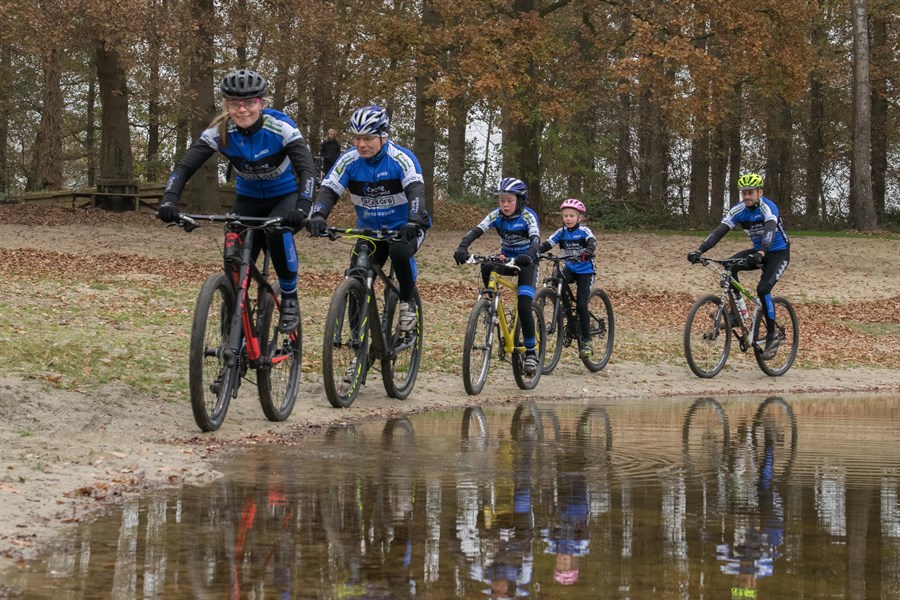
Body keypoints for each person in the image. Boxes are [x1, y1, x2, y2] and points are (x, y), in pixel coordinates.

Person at [156, 69, 316, 333]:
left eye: (250, 102)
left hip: (284, 197)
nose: (242, 110)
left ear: (261, 103)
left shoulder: (281, 128)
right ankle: (231, 328)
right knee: (233, 259)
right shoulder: (220, 131)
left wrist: (304, 206)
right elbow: (184, 168)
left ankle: (289, 298)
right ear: (226, 105)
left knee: (277, 234)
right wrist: (169, 201)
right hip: (248, 200)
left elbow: (307, 170)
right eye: (234, 104)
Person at [307, 105, 431, 333]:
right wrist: (317, 214)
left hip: (404, 228)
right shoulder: (349, 160)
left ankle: (407, 302)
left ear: (384, 136)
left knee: (399, 252)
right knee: (357, 274)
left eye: (367, 138)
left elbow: (416, 192)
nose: (361, 144)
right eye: (356, 138)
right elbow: (329, 190)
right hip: (369, 230)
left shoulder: (402, 159)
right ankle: (359, 346)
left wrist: (413, 219)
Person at [687, 173, 790, 360]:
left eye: (750, 193)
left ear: (760, 192)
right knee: (730, 268)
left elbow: (769, 232)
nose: (747, 197)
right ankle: (737, 315)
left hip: (777, 252)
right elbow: (719, 231)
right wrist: (700, 250)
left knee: (763, 289)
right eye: (744, 194)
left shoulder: (768, 208)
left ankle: (772, 336)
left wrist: (761, 253)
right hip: (758, 251)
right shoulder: (739, 210)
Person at [454, 177, 541, 375]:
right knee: (486, 266)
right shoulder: (496, 215)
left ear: (520, 200)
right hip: (507, 260)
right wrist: (463, 246)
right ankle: (491, 304)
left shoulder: (528, 217)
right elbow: (477, 230)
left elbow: (536, 239)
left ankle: (530, 352)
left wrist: (529, 254)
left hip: (527, 262)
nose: (505, 205)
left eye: (509, 200)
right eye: (501, 200)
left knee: (524, 305)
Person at [539, 198, 597, 359]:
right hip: (570, 268)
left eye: (572, 216)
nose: (568, 219)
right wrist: (536, 251)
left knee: (581, 305)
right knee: (556, 279)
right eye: (565, 216)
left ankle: (586, 340)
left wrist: (589, 250)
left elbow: (592, 242)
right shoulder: (561, 232)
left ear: (579, 218)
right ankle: (564, 308)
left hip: (585, 271)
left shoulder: (584, 231)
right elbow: (548, 243)